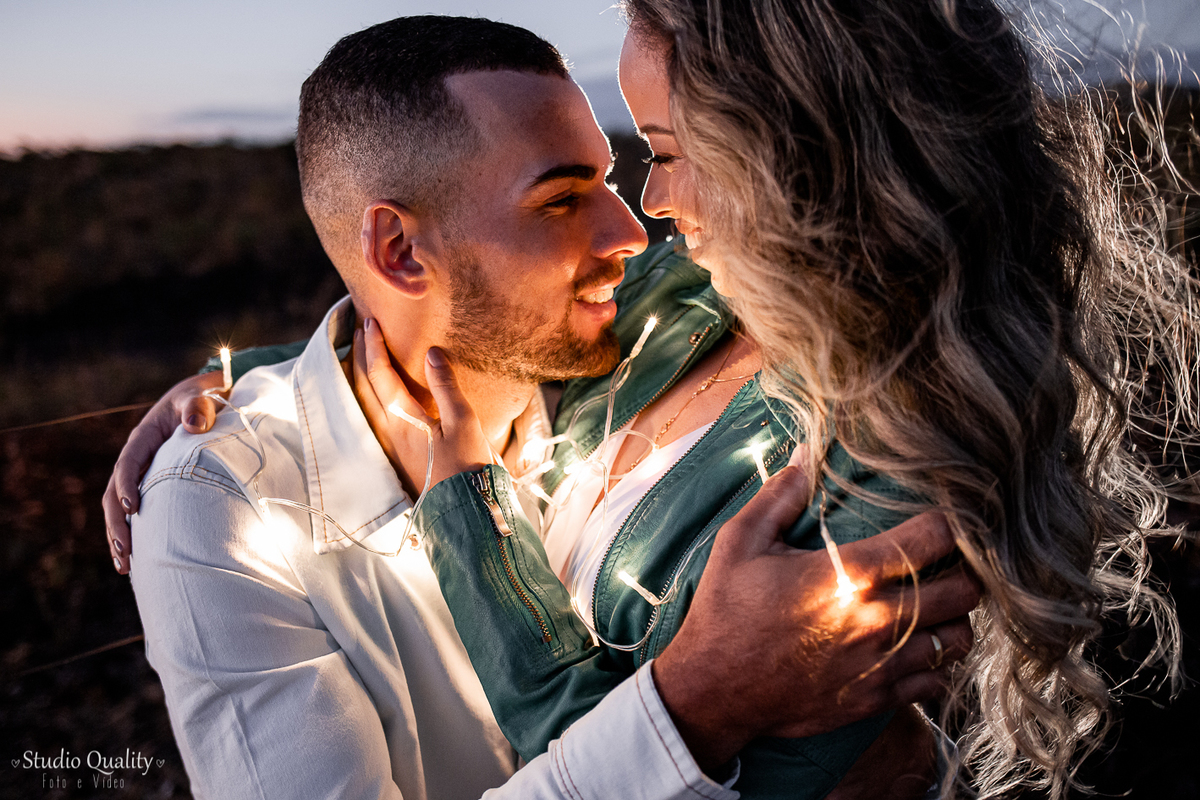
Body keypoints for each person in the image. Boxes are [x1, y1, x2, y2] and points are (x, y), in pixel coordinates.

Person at [112, 15, 978, 800]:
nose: (634, 230)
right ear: (400, 252)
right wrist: (699, 709)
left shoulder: (631, 341)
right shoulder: (220, 509)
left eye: (630, 168)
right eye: (562, 200)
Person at [353, 1, 1200, 799]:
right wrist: (293, 384)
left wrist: (466, 507)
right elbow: (486, 312)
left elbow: (610, 764)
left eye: (667, 154)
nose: (647, 210)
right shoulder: (681, 296)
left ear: (794, 159)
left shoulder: (893, 473)